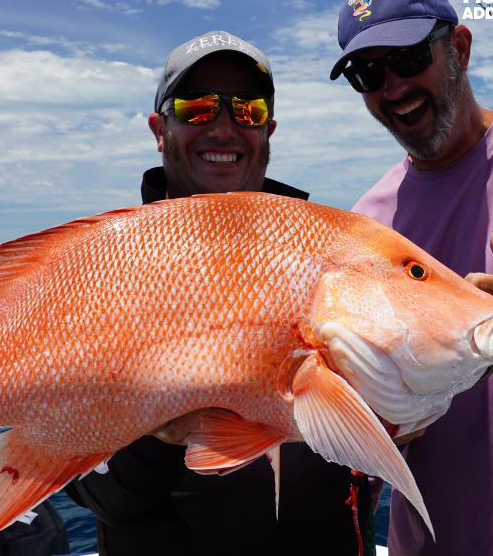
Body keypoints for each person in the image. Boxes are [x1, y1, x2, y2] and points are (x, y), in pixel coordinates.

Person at [65, 31, 376, 556]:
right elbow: (100, 494)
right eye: (199, 107)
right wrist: (159, 433)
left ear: (269, 131)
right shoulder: (101, 274)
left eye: (248, 111)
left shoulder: (328, 259)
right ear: (159, 130)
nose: (225, 127)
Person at [329, 0, 493, 555]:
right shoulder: (366, 225)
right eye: (368, 72)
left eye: (411, 58)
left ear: (458, 47)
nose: (393, 88)